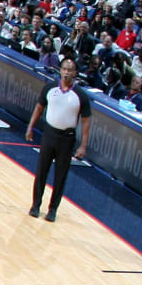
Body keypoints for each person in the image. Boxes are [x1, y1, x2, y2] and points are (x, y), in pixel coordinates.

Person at [24, 58, 90, 222]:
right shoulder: (50, 88)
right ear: (60, 70)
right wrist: (30, 127)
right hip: (49, 134)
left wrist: (83, 145)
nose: (67, 72)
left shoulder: (80, 95)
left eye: (70, 70)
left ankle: (52, 209)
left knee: (60, 176)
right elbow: (39, 108)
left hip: (67, 139)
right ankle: (35, 205)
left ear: (75, 73)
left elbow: (86, 121)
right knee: (41, 172)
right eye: (64, 69)